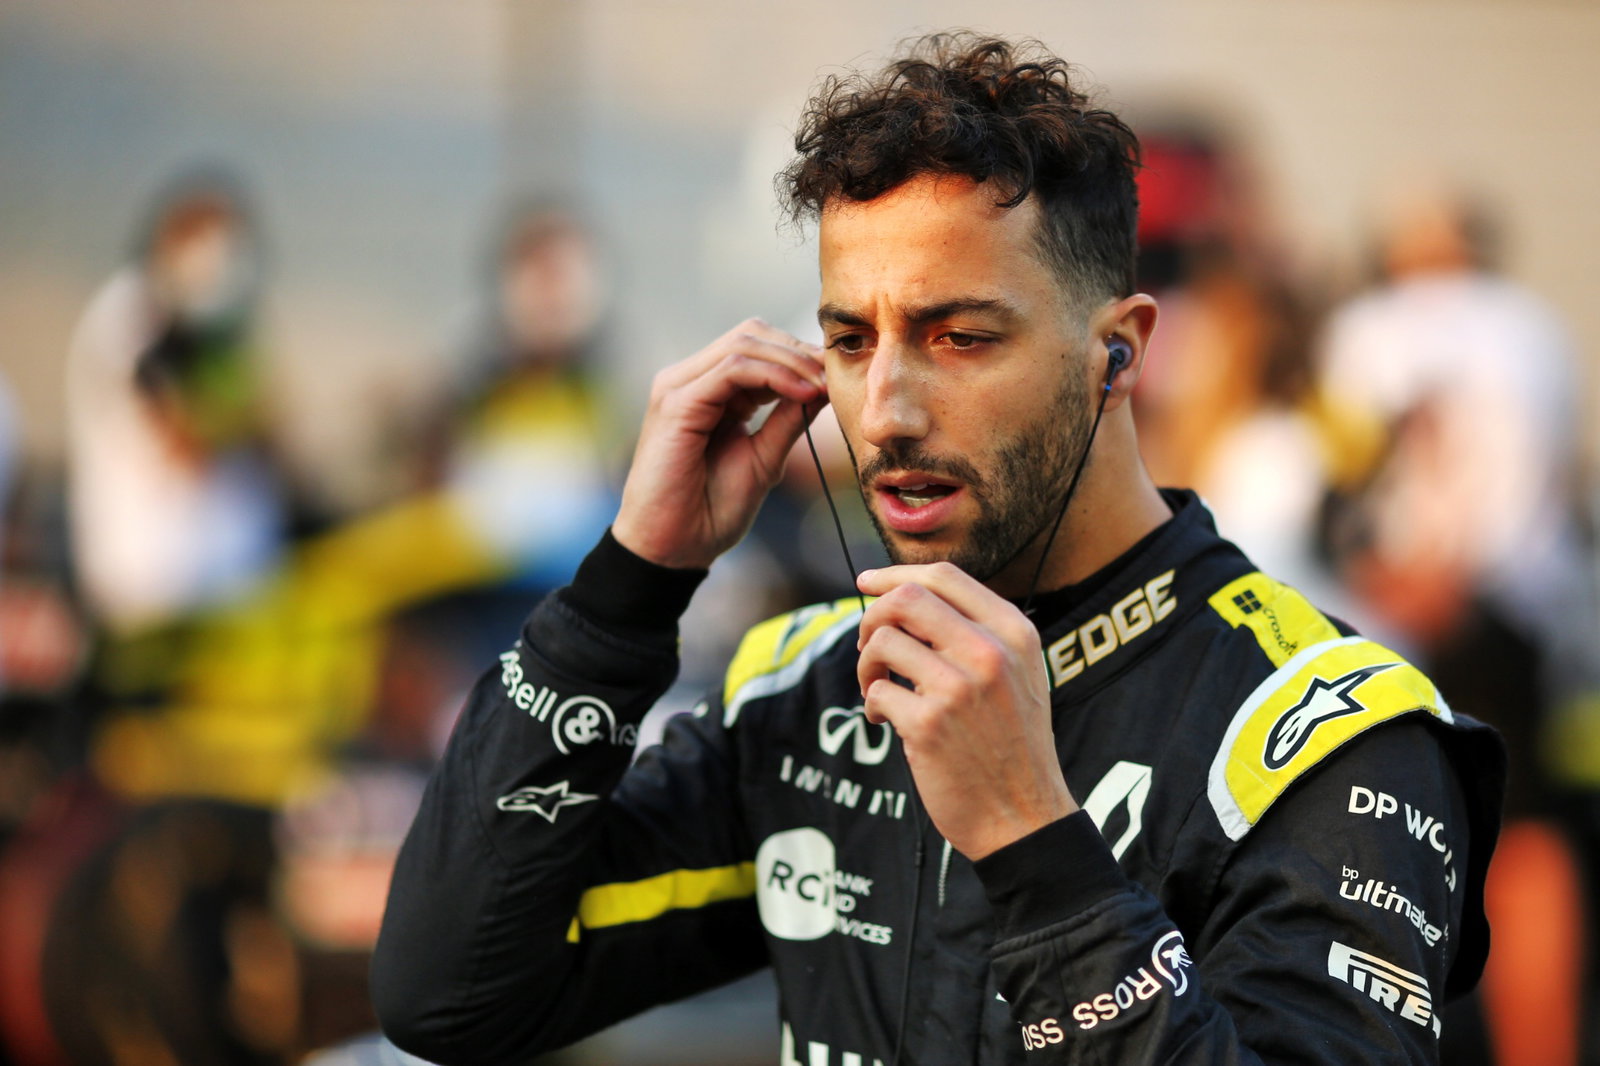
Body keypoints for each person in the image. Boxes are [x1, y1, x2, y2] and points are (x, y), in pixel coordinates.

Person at [372, 34, 1504, 1064]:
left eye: (959, 336)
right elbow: (452, 992)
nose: (887, 408)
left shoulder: (1333, 743)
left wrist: (1032, 842)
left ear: (1119, 354)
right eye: (850, 340)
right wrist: (627, 588)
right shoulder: (811, 686)